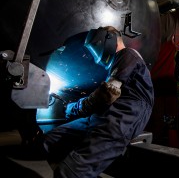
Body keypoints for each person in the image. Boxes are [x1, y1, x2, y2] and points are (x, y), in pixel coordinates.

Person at [43, 26, 154, 177]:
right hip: (103, 114)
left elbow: (108, 93)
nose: (95, 57)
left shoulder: (128, 55)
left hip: (122, 118)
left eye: (94, 48)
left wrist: (73, 108)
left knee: (70, 172)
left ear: (108, 40)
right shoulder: (118, 63)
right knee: (51, 142)